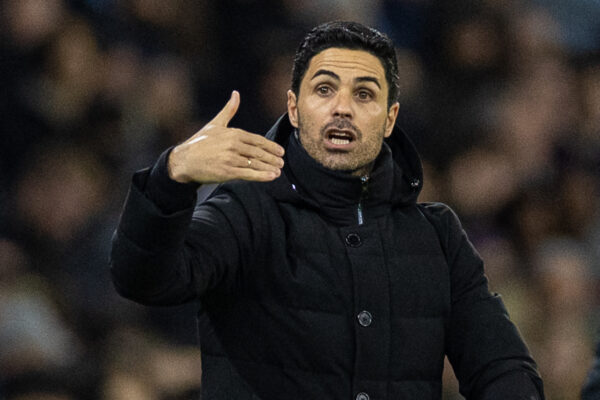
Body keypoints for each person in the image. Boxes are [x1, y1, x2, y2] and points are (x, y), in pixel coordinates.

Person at [110, 21, 544, 400]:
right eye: (324, 89)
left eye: (364, 94)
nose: (342, 107)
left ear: (390, 119)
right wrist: (169, 178)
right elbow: (143, 279)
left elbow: (502, 367)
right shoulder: (248, 210)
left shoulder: (438, 236)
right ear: (295, 110)